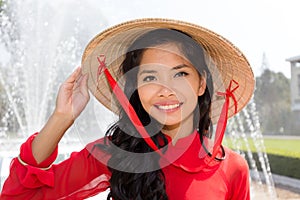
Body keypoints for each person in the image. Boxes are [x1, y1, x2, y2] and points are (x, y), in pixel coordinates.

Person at [0, 18, 254, 199]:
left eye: (180, 74)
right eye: (150, 78)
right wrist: (61, 118)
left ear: (201, 84)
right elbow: (19, 195)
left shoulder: (233, 168)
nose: (166, 90)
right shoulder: (118, 153)